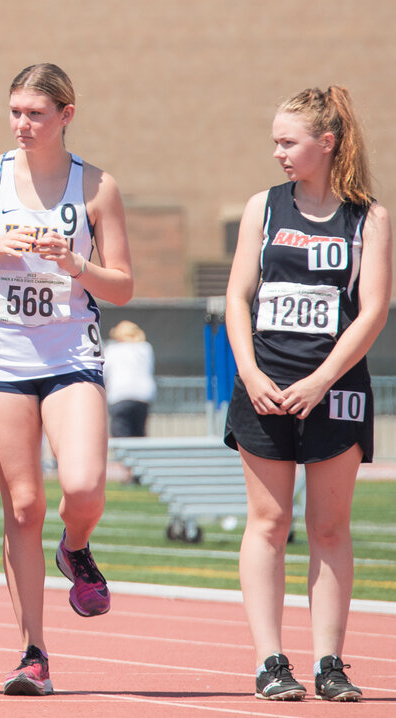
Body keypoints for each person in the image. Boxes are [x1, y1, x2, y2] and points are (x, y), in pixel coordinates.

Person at [0, 63, 133, 695]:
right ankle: (33, 651)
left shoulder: (97, 187)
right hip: (2, 360)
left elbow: (125, 285)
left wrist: (76, 262)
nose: (24, 124)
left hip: (71, 355)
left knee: (82, 488)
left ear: (65, 116)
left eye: (37, 113)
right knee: (22, 507)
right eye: (16, 112)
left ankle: (76, 546)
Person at [224, 86, 391, 702]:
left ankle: (330, 663)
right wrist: (250, 372)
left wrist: (322, 380)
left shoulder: (368, 217)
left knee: (329, 527)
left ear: (327, 143)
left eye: (288, 142)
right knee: (267, 523)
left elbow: (372, 310)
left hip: (336, 388)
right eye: (275, 141)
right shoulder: (262, 209)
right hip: (265, 384)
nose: (278, 153)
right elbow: (238, 296)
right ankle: (271, 661)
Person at [103, 320, 156, 437]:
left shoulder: (112, 349)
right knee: (139, 433)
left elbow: (104, 371)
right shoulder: (145, 348)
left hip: (120, 393)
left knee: (121, 434)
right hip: (143, 395)